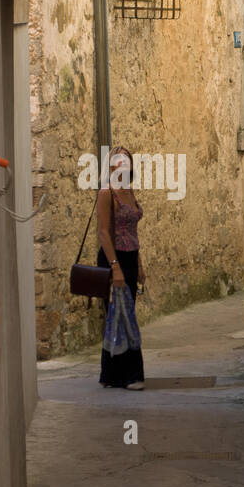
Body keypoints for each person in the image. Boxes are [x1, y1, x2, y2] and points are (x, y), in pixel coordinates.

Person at [96, 146, 146, 390]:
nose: (122, 163)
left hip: (130, 257)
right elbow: (104, 232)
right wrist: (115, 267)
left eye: (126, 159)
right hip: (112, 258)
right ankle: (131, 375)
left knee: (120, 316)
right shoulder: (107, 193)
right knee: (124, 317)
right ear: (111, 166)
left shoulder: (129, 191)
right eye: (117, 160)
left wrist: (139, 264)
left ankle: (110, 374)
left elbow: (132, 232)